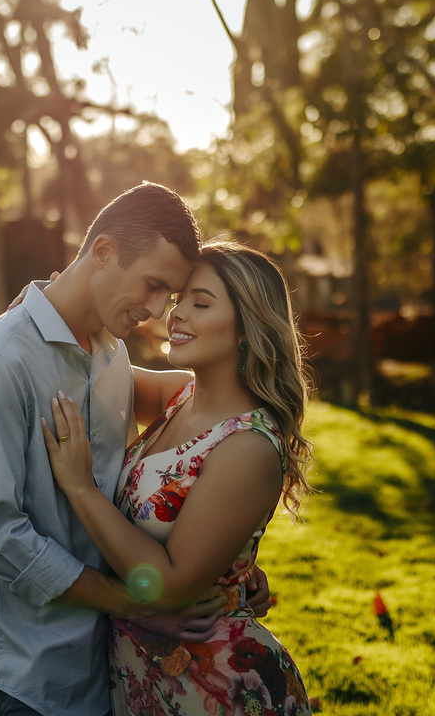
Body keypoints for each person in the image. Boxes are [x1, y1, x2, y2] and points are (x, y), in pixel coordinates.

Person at [0, 182, 208, 716]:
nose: (155, 310)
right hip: (16, 676)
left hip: (94, 665)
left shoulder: (109, 354)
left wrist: (232, 573)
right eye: (152, 285)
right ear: (102, 252)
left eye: (168, 296)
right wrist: (136, 604)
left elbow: (198, 408)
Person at [42, 240, 315, 716]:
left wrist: (81, 487)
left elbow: (167, 587)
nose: (176, 315)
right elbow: (80, 362)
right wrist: (50, 300)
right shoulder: (177, 396)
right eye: (179, 299)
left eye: (200, 303)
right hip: (145, 679)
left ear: (248, 329)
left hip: (217, 689)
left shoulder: (247, 446)